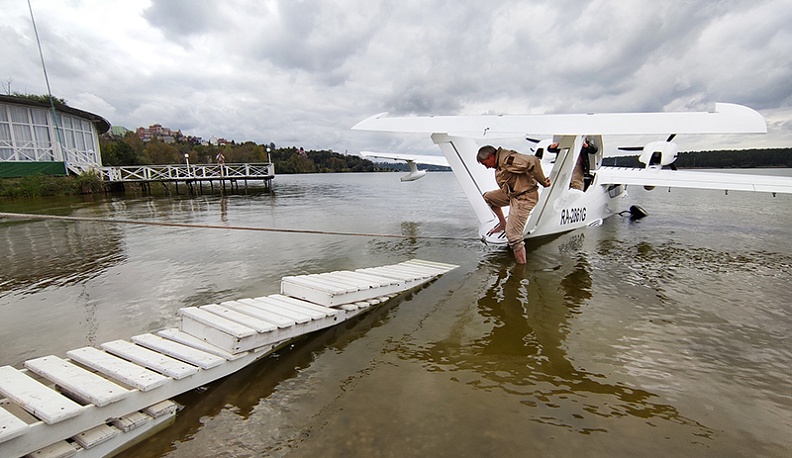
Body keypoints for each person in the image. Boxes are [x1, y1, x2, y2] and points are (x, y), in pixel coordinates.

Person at [477, 145, 551, 264]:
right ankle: (502, 223)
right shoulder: (500, 161)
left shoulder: (508, 160)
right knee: (488, 197)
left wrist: (543, 182)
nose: (486, 167)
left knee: (513, 236)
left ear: (491, 156)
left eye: (485, 163)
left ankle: (520, 270)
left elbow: (533, 161)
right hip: (512, 194)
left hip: (524, 197)